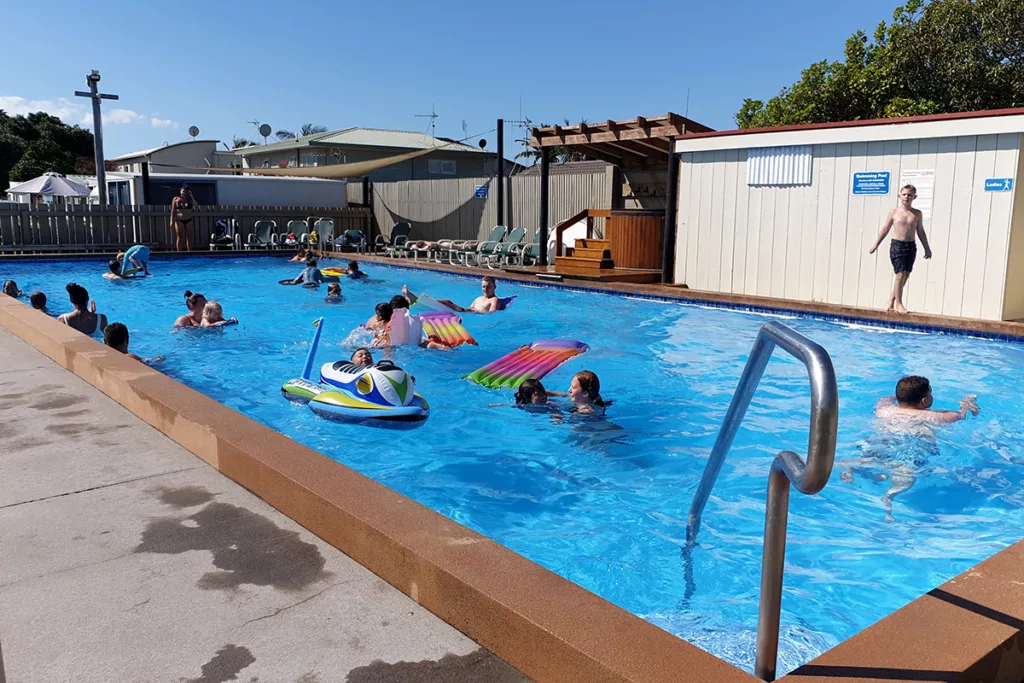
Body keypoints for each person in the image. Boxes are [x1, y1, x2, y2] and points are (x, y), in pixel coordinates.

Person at [868, 184, 933, 314]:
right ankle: (899, 304)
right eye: (904, 194)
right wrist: (875, 244)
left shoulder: (917, 214)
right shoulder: (894, 212)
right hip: (897, 246)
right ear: (899, 196)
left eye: (910, 195)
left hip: (911, 247)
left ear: (914, 197)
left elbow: (920, 231)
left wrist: (927, 247)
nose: (907, 197)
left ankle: (891, 300)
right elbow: (885, 229)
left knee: (906, 275)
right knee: (900, 274)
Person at [874, 375, 979, 424]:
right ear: (924, 401)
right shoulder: (936, 416)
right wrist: (968, 402)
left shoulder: (884, 410)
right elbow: (962, 415)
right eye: (930, 394)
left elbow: (885, 399)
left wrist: (905, 392)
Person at [402, 276, 505, 314]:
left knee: (447, 302)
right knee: (447, 302)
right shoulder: (479, 298)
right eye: (483, 287)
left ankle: (415, 299)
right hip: (467, 311)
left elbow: (492, 314)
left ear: (494, 287)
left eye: (488, 287)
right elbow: (470, 307)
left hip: (471, 313)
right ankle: (416, 299)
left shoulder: (494, 300)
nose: (485, 289)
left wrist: (477, 312)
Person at [170, 184, 198, 252]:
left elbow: (196, 206)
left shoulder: (190, 200)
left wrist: (191, 195)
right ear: (180, 191)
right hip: (179, 220)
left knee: (189, 238)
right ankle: (179, 252)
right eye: (183, 191)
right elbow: (173, 210)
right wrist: (171, 221)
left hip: (189, 220)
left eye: (185, 191)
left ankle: (189, 251)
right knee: (180, 237)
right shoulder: (176, 199)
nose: (184, 193)